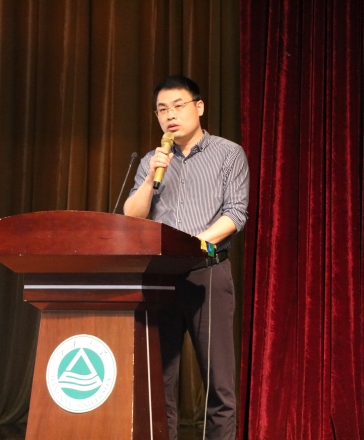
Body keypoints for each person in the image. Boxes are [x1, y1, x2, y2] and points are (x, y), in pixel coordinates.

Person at [124, 75, 249, 440]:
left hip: (206, 273)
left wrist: (188, 245)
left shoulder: (228, 154)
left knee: (218, 382)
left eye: (178, 106)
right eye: (162, 109)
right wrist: (151, 174)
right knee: (159, 380)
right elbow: (133, 215)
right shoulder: (151, 160)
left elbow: (235, 214)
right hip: (160, 278)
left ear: (199, 107)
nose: (170, 115)